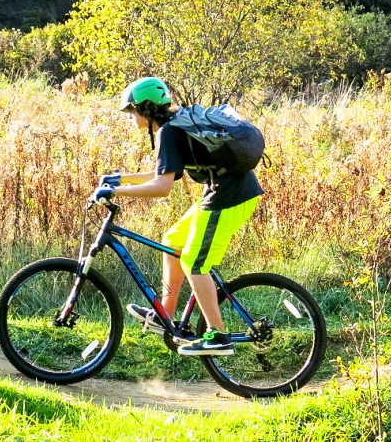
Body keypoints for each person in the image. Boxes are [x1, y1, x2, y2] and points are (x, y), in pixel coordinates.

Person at [89, 76, 263, 356]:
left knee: (195, 262)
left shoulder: (167, 131)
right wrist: (120, 178)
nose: (130, 117)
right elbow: (166, 172)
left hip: (230, 196)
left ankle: (218, 336)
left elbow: (162, 187)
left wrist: (115, 191)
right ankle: (164, 315)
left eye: (132, 111)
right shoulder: (174, 124)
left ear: (145, 109)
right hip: (223, 190)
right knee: (173, 242)